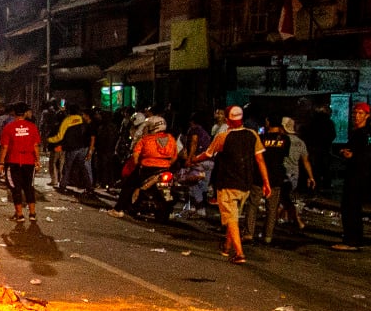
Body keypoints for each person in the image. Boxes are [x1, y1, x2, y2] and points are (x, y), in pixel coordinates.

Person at [189, 104, 269, 265]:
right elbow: (260, 160)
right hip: (246, 184)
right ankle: (226, 247)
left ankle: (239, 253)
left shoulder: (223, 137)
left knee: (231, 218)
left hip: (228, 183)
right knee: (233, 216)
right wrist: (266, 182)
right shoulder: (253, 135)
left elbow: (208, 154)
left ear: (227, 120)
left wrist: (194, 159)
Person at [113, 115, 178, 217]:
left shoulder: (145, 140)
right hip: (165, 169)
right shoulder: (171, 139)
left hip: (146, 170)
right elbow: (174, 157)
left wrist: (138, 164)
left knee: (128, 185)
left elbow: (135, 156)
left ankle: (118, 209)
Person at [333, 102, 371, 250]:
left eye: (360, 114)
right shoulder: (358, 133)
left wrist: (352, 156)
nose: (356, 117)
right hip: (356, 175)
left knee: (350, 207)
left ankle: (351, 240)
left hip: (357, 176)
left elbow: (366, 156)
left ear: (367, 116)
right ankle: (354, 238)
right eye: (355, 113)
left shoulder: (363, 134)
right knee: (353, 207)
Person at [0, 102, 41, 221]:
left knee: (15, 188)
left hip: (13, 161)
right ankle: (32, 214)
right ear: (26, 113)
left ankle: (20, 214)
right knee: (29, 187)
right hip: (29, 161)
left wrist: (1, 163)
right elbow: (35, 145)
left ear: (14, 113)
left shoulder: (9, 128)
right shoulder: (32, 127)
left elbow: (4, 147)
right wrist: (37, 160)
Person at [255, 116, 292, 244]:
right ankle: (268, 236)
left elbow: (257, 156)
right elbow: (284, 155)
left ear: (268, 122)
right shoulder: (285, 139)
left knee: (253, 205)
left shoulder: (261, 138)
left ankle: (249, 233)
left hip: (260, 175)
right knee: (272, 208)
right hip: (276, 176)